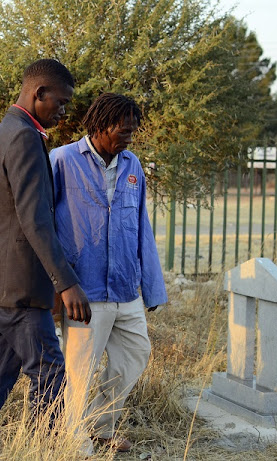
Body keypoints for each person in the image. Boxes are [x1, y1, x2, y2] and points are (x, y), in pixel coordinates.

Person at [0, 59, 91, 437]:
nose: (64, 110)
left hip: (2, 282)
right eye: (61, 102)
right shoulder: (22, 135)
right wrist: (66, 283)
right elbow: (34, 220)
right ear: (39, 94)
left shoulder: (11, 128)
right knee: (50, 371)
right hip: (21, 286)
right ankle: (42, 447)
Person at [49, 93, 167, 453]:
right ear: (100, 126)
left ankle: (100, 426)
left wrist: (153, 287)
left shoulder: (133, 165)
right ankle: (73, 439)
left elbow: (140, 226)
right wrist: (59, 282)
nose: (129, 135)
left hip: (125, 288)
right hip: (84, 291)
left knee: (135, 354)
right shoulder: (62, 160)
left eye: (133, 129)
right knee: (79, 371)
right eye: (123, 128)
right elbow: (42, 224)